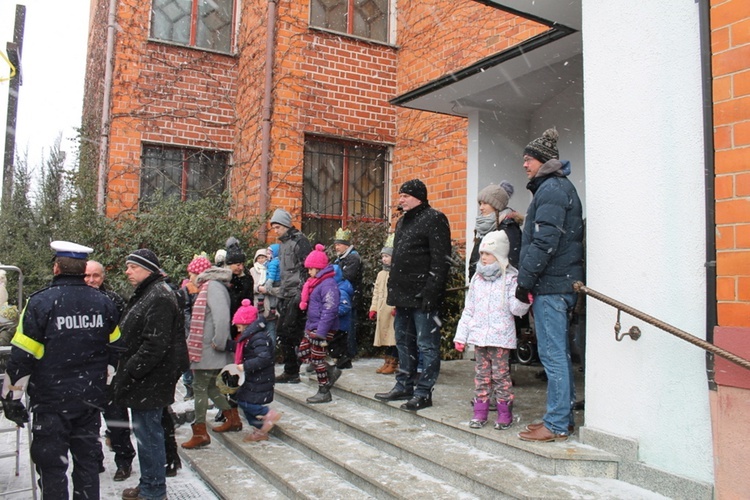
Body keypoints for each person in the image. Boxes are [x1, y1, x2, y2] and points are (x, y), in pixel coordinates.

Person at [2, 241, 121, 499]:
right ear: (82, 270)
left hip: (51, 401)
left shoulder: (40, 303)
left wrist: (11, 398)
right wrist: (106, 385)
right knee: (87, 464)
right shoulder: (103, 302)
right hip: (88, 400)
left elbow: (22, 356)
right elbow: (115, 349)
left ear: (56, 267)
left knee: (52, 467)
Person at [513, 128, 584, 443]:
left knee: (554, 355)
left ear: (542, 160)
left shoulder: (553, 189)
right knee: (557, 355)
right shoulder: (552, 188)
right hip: (557, 284)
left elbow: (545, 242)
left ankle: (556, 424)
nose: (525, 166)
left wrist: (524, 280)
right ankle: (559, 418)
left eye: (528, 160)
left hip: (553, 287)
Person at [113, 248, 189, 500]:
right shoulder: (151, 292)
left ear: (147, 269)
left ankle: (154, 491)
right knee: (147, 434)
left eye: (132, 267)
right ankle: (149, 484)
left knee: (149, 435)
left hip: (150, 379)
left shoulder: (158, 296)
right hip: (148, 378)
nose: (127, 272)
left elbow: (155, 344)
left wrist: (130, 371)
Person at [375, 179, 452, 411]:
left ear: (418, 196)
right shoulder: (402, 222)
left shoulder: (435, 218)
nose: (400, 199)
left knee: (427, 345)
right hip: (402, 295)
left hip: (423, 296)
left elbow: (441, 260)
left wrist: (431, 291)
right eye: (400, 195)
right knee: (404, 343)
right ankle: (404, 384)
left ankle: (423, 392)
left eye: (405, 195)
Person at [453, 231, 531, 430]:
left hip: (500, 337)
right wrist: (461, 336)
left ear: (500, 255)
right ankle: (480, 413)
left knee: (501, 377)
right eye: (482, 254)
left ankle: (505, 413)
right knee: (481, 376)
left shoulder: (509, 279)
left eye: (488, 253)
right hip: (479, 337)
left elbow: (516, 309)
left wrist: (524, 299)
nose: (484, 258)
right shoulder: (477, 280)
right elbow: (469, 310)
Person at [85, 260, 136, 482]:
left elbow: (123, 335)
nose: (91, 280)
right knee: (87, 420)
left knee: (116, 419)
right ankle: (93, 458)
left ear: (103, 277)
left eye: (96, 276)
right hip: (84, 371)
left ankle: (124, 460)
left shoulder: (113, 301)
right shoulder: (74, 300)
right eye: (87, 275)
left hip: (110, 370)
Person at [181, 256, 239, 449]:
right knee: (212, 387)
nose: (189, 276)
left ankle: (200, 432)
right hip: (206, 348)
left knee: (199, 387)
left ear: (199, 272)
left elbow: (222, 317)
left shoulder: (212, 287)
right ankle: (233, 418)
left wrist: (219, 342)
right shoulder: (209, 287)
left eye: (191, 272)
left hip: (209, 349)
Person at [260, 209, 311, 384]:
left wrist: (301, 294)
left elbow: (307, 269)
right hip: (285, 293)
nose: (275, 231)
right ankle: (292, 369)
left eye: (277, 227)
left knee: (291, 332)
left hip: (297, 294)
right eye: (273, 227)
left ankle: (297, 368)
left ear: (285, 225)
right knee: (286, 333)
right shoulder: (282, 245)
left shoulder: (300, 242)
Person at [230, 299, 282, 442]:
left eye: (239, 324)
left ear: (246, 323)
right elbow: (244, 348)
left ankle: (267, 414)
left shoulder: (258, 337)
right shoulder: (250, 337)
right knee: (242, 400)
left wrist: (245, 366)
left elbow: (264, 358)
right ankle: (259, 430)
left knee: (246, 402)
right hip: (254, 377)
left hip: (260, 377)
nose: (237, 328)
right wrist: (226, 345)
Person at [297, 244, 341, 403]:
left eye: (310, 269)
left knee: (317, 359)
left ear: (318, 268)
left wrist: (321, 332)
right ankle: (330, 370)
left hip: (322, 328)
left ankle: (324, 390)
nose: (309, 272)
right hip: (313, 325)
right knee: (302, 352)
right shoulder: (316, 283)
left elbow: (330, 309)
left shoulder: (328, 284)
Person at [468, 181, 522, 279]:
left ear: (496, 205)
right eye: (480, 203)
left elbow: (512, 262)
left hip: (498, 286)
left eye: (485, 203)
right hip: (480, 284)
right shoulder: (483, 226)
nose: (481, 208)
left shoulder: (508, 227)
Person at [332, 228, 362, 368]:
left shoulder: (353, 258)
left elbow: (347, 276)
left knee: (349, 327)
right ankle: (343, 353)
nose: (336, 247)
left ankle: (349, 353)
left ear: (346, 245)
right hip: (343, 294)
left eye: (339, 244)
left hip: (350, 296)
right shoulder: (341, 258)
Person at [369, 236, 397, 375]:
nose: (384, 259)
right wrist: (373, 308)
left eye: (387, 256)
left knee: (393, 338)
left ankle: (393, 362)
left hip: (391, 310)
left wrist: (397, 306)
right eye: (383, 256)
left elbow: (399, 291)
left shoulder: (396, 273)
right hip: (381, 309)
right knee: (385, 338)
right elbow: (376, 292)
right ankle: (386, 360)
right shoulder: (381, 274)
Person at [249, 248, 278, 346]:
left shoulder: (272, 269)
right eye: (259, 258)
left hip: (271, 306)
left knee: (271, 332)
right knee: (258, 333)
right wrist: (258, 288)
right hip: (258, 306)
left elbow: (277, 287)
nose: (261, 260)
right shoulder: (252, 271)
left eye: (263, 257)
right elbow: (249, 286)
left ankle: (271, 355)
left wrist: (268, 290)